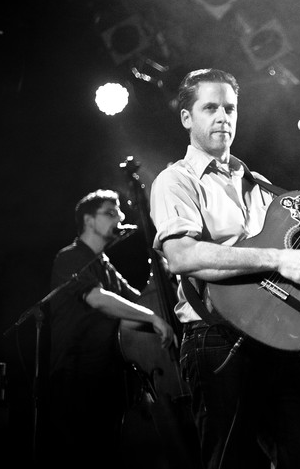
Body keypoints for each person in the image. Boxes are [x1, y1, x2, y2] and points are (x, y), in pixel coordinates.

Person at [148, 68, 300, 469]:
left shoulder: (258, 183)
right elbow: (182, 256)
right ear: (187, 117)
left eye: (230, 108)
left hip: (275, 339)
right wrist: (278, 259)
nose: (223, 117)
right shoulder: (175, 180)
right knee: (230, 462)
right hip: (217, 337)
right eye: (210, 108)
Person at [46, 189, 177, 469]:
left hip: (106, 375)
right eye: (110, 213)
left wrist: (165, 268)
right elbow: (97, 299)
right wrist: (152, 317)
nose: (119, 218)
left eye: (120, 212)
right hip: (76, 374)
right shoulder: (70, 256)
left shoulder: (105, 265)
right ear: (89, 220)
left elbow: (139, 303)